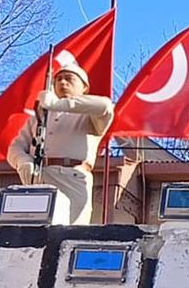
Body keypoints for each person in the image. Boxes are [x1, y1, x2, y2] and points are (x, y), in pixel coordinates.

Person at [7, 62, 114, 225]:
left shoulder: (90, 116)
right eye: (58, 79)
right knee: (33, 230)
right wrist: (23, 162)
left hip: (72, 178)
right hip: (40, 177)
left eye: (69, 79)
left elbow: (105, 106)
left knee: (69, 231)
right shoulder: (40, 117)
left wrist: (58, 104)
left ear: (85, 87)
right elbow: (15, 147)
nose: (63, 82)